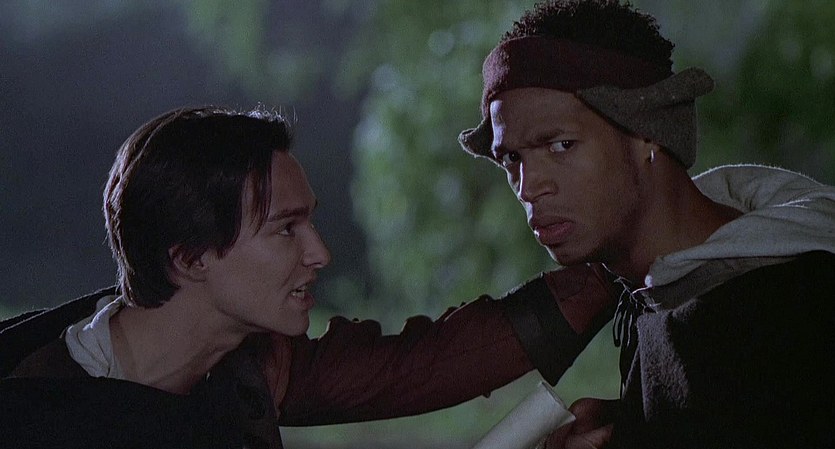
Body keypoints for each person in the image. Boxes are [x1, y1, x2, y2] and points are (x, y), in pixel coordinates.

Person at [0, 106, 617, 449]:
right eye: (285, 229)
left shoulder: (247, 365)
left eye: (310, 222)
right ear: (190, 257)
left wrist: (624, 259)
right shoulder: (35, 415)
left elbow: (420, 365)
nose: (319, 252)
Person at [457, 1, 835, 448]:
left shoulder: (789, 310)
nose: (528, 186)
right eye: (512, 158)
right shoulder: (663, 289)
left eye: (561, 145)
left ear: (648, 132)